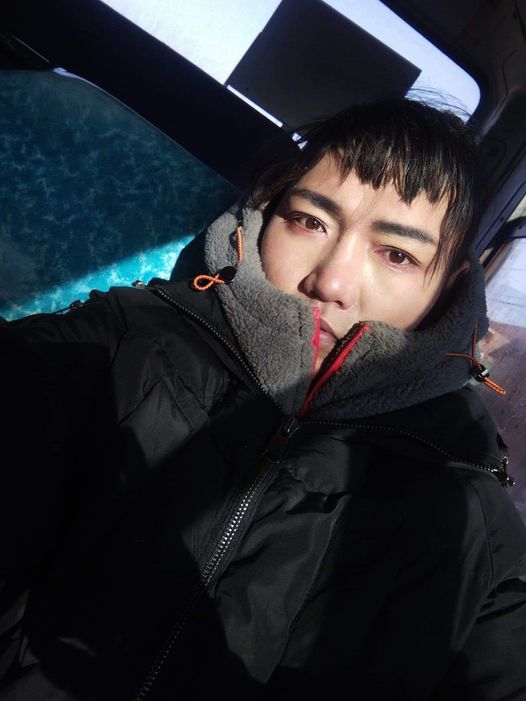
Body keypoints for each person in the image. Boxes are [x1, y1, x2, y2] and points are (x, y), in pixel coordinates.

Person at [1, 98, 526, 701]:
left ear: (449, 291)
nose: (330, 281)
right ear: (265, 214)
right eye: (309, 221)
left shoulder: (466, 505)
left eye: (398, 255)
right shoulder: (120, 340)